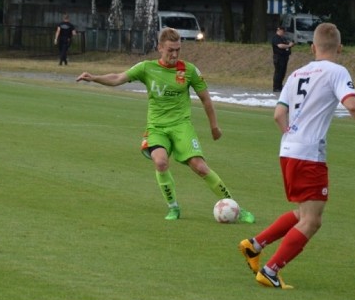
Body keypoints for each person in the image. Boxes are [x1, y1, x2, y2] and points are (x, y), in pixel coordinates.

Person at [238, 23, 355, 289]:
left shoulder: (296, 74)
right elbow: (352, 104)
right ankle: (271, 270)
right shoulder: (337, 71)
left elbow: (278, 115)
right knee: (312, 220)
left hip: (288, 150)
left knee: (302, 213)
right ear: (340, 47)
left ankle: (254, 245)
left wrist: (291, 135)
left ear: (313, 47)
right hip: (309, 155)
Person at [76, 27, 255, 222]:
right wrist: (94, 78)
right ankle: (173, 207)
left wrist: (214, 127)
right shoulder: (147, 68)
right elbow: (118, 77)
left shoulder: (189, 70)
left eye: (178, 49)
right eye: (170, 49)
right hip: (157, 128)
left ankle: (236, 207)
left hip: (181, 127)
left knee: (201, 167)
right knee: (160, 162)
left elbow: (206, 99)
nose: (175, 54)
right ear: (160, 47)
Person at [271, 25, 294, 92]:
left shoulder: (283, 38)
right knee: (278, 72)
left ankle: (280, 86)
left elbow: (286, 45)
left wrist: (290, 44)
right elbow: (280, 46)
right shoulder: (276, 38)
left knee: (283, 72)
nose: (283, 32)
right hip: (278, 57)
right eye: (282, 31)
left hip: (284, 57)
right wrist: (289, 45)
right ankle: (276, 87)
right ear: (279, 30)